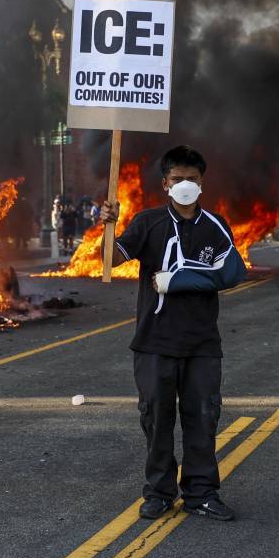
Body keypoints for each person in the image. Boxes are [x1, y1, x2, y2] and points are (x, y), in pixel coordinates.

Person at [99, 145, 247, 522]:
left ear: (202, 184)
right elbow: (111, 260)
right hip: (154, 342)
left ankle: (201, 494)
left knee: (203, 417)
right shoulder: (148, 223)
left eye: (192, 179)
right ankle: (159, 492)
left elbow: (230, 274)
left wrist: (178, 280)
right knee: (156, 419)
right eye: (178, 179)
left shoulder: (215, 226)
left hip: (201, 344)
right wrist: (108, 224)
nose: (185, 185)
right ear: (165, 183)